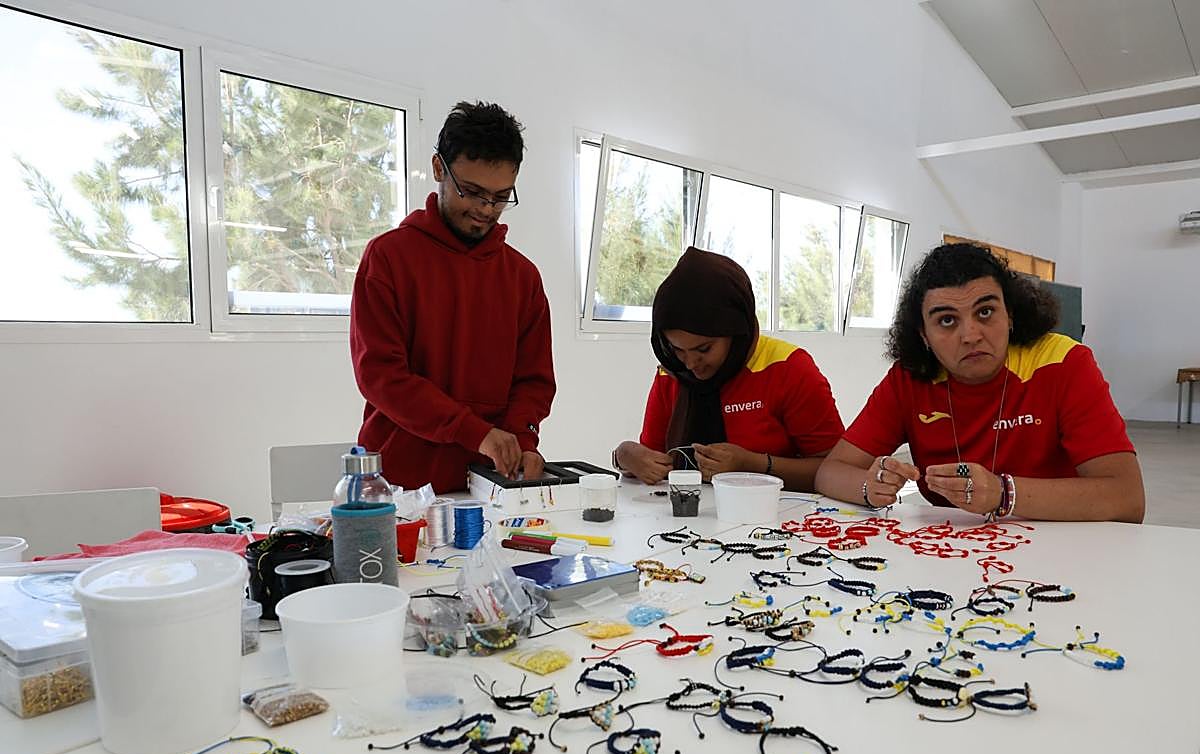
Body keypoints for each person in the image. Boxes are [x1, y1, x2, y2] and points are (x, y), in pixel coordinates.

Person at [814, 242, 1144, 522]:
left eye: (985, 312)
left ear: (1010, 314)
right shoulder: (909, 378)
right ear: (923, 335)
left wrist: (1003, 493)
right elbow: (830, 472)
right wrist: (869, 486)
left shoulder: (1062, 362)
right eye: (947, 320)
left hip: (1063, 543)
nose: (971, 335)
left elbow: (1127, 499)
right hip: (953, 550)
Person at [350, 101, 555, 493]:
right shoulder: (389, 258)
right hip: (402, 488)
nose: (485, 209)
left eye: (500, 196)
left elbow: (533, 381)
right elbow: (382, 376)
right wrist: (475, 432)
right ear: (438, 168)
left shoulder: (523, 277)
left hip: (492, 486)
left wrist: (522, 439)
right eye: (472, 192)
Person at [612, 247, 844, 492]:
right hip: (688, 512)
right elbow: (652, 460)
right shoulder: (672, 373)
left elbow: (836, 471)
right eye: (677, 349)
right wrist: (624, 456)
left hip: (771, 512)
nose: (690, 364)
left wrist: (753, 465)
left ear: (736, 333)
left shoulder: (787, 368)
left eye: (704, 349)